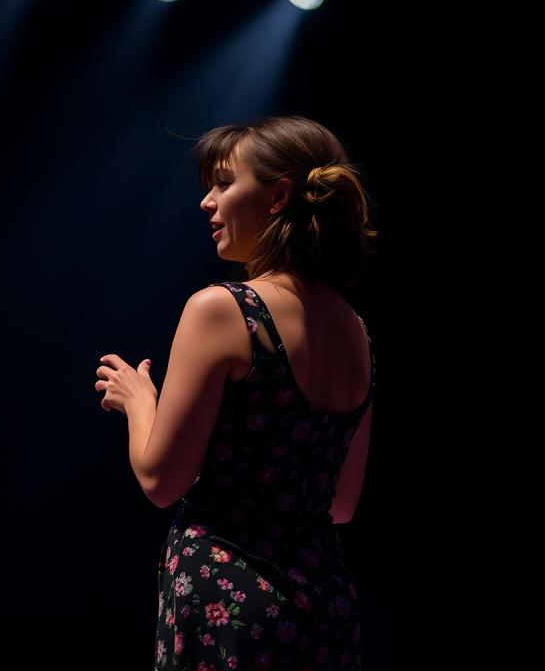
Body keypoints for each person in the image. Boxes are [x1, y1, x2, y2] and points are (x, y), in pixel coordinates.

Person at [94, 115, 377, 670]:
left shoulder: (224, 310)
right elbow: (341, 506)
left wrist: (138, 400)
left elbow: (160, 480)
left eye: (224, 183)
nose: (207, 201)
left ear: (277, 198)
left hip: (231, 598)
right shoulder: (356, 332)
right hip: (325, 605)